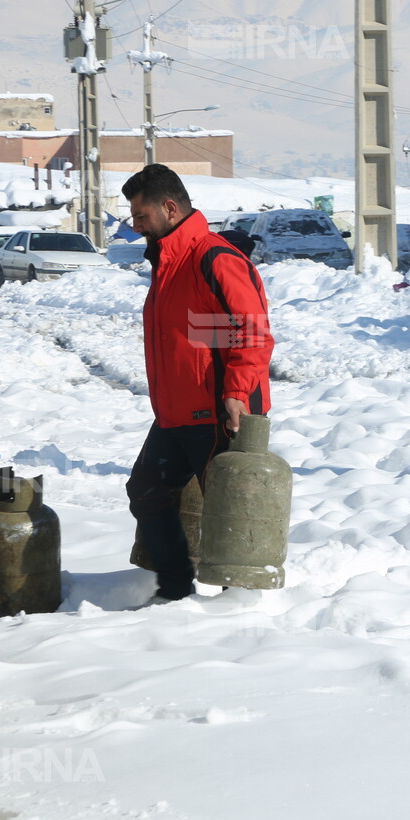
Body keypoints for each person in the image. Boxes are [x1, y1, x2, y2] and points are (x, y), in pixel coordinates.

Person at [122, 164, 274, 603]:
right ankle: (174, 591)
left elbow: (251, 333)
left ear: (170, 208)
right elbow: (205, 332)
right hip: (176, 411)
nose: (136, 227)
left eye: (142, 216)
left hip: (219, 411)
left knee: (229, 509)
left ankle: (241, 601)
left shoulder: (214, 257)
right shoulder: (168, 262)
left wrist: (235, 393)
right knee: (146, 490)